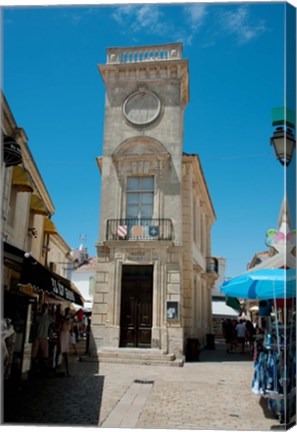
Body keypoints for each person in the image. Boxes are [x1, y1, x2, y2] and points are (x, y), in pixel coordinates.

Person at [32, 303, 53, 374]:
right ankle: (40, 369)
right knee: (43, 355)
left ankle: (37, 369)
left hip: (40, 337)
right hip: (41, 337)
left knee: (39, 355)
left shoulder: (42, 317)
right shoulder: (47, 318)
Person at [58, 307, 73, 376]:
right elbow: (63, 327)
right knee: (62, 353)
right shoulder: (65, 319)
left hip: (65, 335)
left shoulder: (66, 319)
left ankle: (66, 370)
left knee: (63, 353)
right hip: (64, 335)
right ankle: (63, 370)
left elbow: (66, 327)